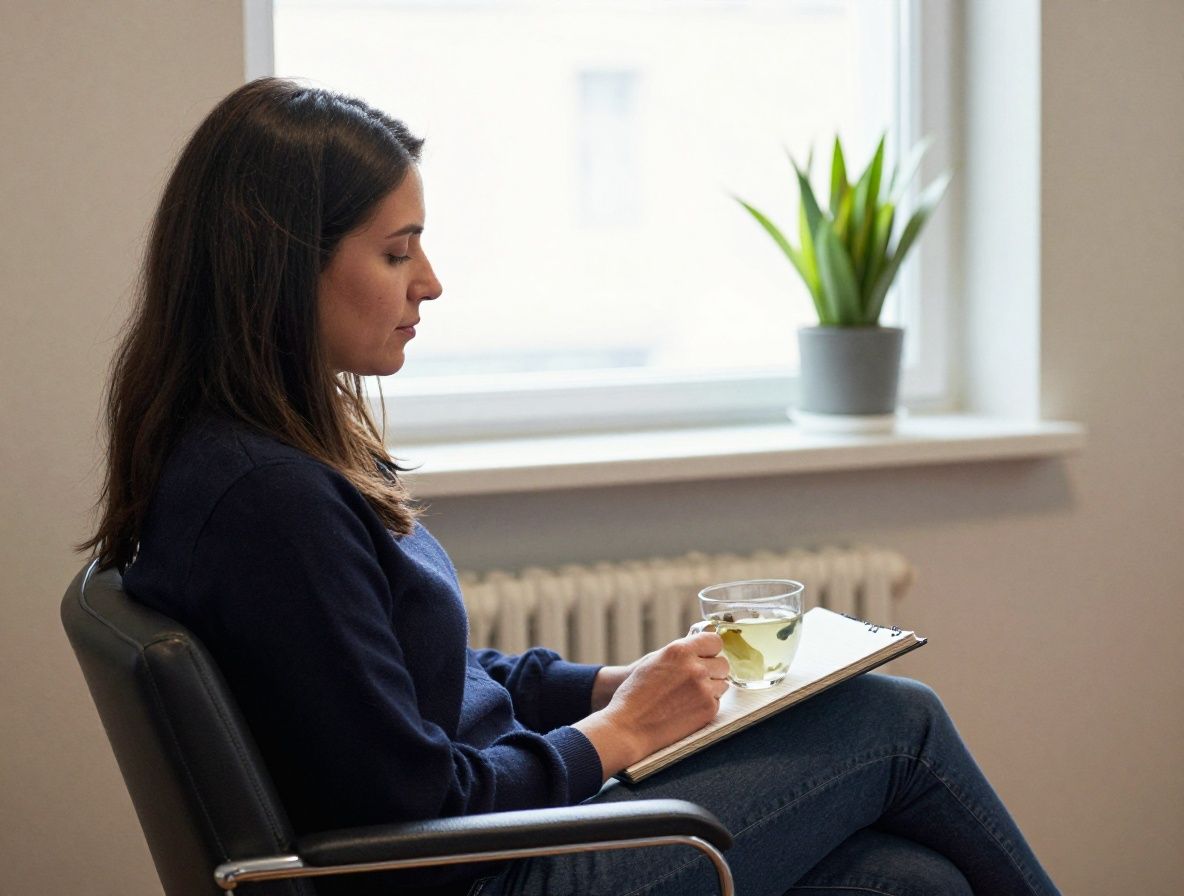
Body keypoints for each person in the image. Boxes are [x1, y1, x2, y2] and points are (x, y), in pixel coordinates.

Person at [83, 77, 1061, 896]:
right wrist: (622, 730)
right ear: (280, 267)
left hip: (502, 839)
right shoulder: (267, 499)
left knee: (900, 878)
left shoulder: (261, 456)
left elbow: (430, 683)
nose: (428, 281)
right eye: (394, 250)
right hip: (487, 868)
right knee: (895, 719)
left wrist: (604, 686)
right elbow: (409, 805)